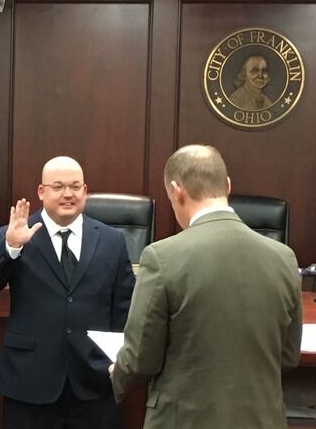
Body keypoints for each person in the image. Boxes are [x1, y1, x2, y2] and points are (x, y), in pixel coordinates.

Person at [110, 145, 303, 428]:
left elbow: (141, 357)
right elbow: (288, 355)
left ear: (177, 191)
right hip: (262, 419)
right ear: (227, 185)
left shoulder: (161, 257)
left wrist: (117, 375)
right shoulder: (284, 257)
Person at [0, 156, 135, 429]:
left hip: (94, 383)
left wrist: (119, 363)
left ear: (85, 191)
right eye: (58, 187)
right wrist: (11, 248)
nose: (67, 194)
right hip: (30, 382)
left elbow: (125, 308)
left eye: (75, 186)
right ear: (41, 192)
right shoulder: (14, 234)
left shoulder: (112, 240)